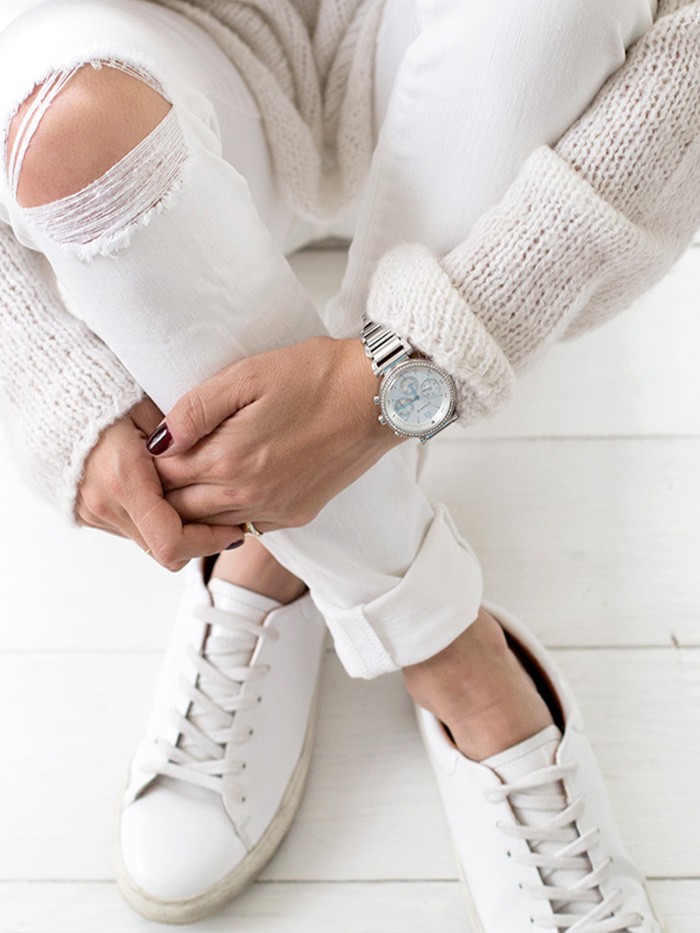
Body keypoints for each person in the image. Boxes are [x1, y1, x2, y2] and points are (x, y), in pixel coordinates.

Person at [0, 0, 697, 928]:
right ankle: (453, 654)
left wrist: (401, 367)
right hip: (167, 59)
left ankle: (269, 553)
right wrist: (42, 379)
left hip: (459, 77)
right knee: (65, 126)